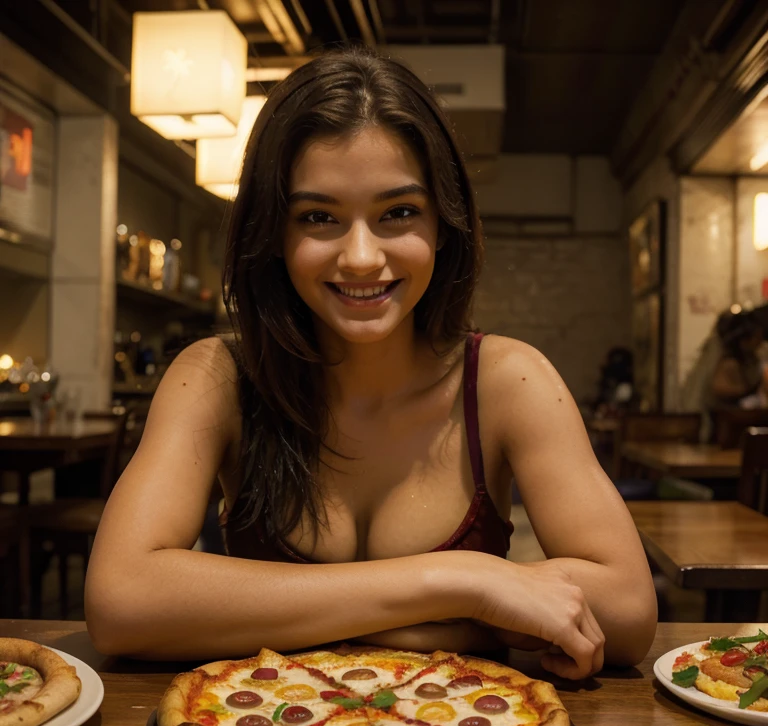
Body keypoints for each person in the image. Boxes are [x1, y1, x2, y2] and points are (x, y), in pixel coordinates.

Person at [85, 47, 656, 680]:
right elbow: (121, 600)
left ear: (444, 224)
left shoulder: (506, 380)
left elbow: (628, 612)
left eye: (398, 213)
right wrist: (461, 582)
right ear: (274, 233)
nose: (361, 257)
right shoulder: (215, 376)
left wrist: (375, 612)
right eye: (319, 217)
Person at [710, 309, 767, 409]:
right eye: (756, 338)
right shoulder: (730, 363)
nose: (759, 342)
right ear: (743, 341)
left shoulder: (752, 360)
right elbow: (721, 389)